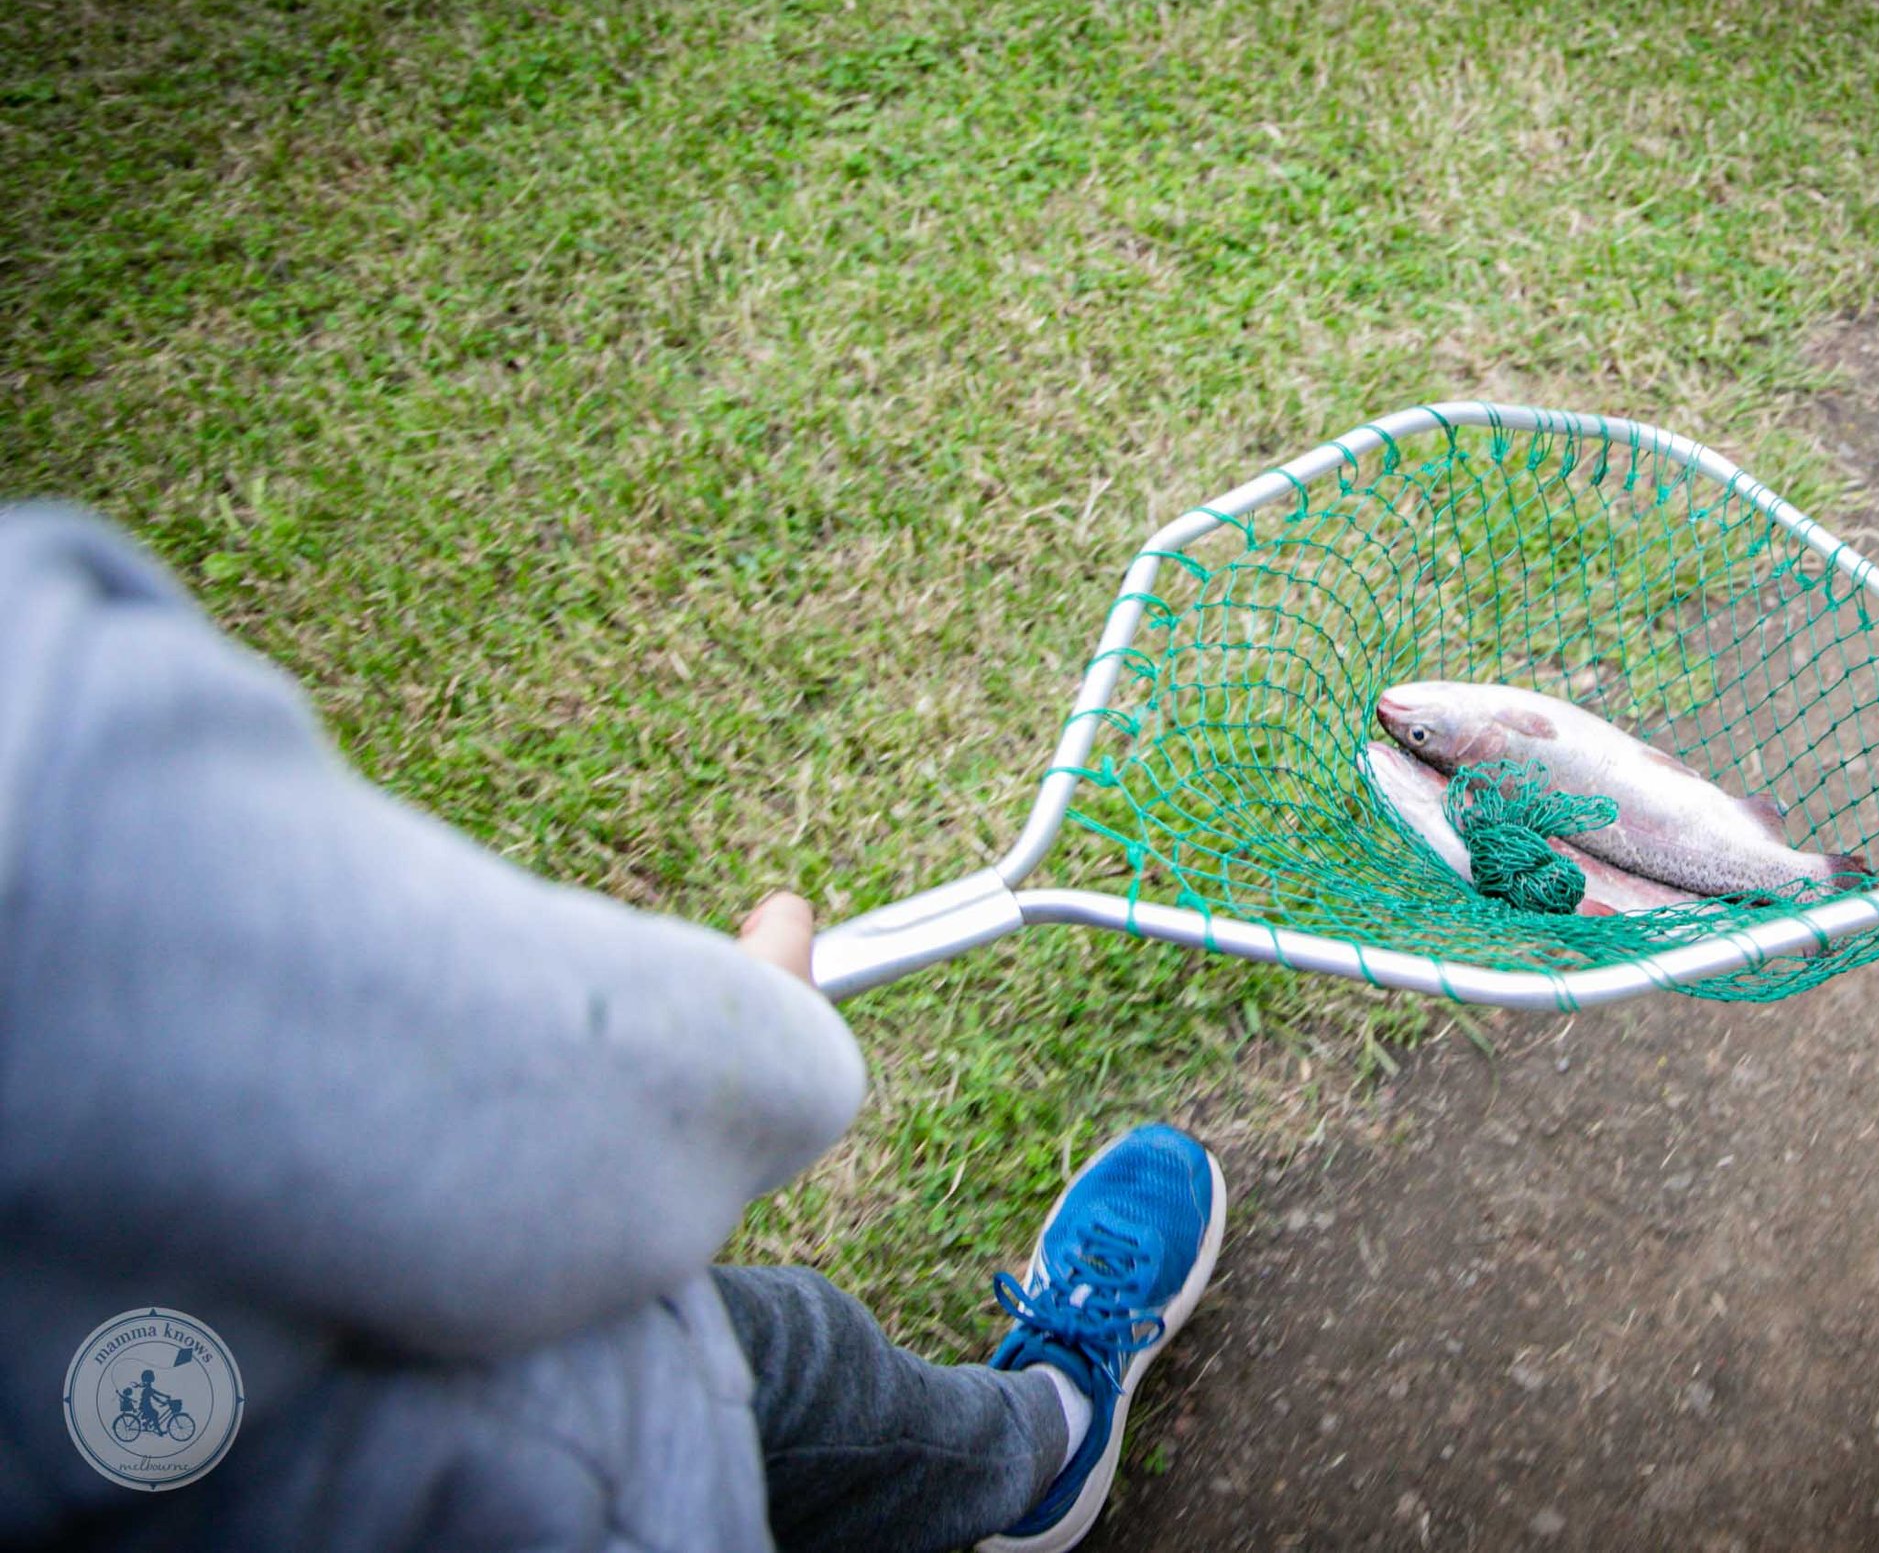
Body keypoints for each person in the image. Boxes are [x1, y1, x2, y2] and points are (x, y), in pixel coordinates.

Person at [0, 503, 1224, 1553]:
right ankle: (1051, 1421)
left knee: (779, 1362)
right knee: (728, 1365)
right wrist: (756, 1028)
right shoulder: (49, 758)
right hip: (481, 1480)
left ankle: (1038, 1451)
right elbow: (560, 1114)